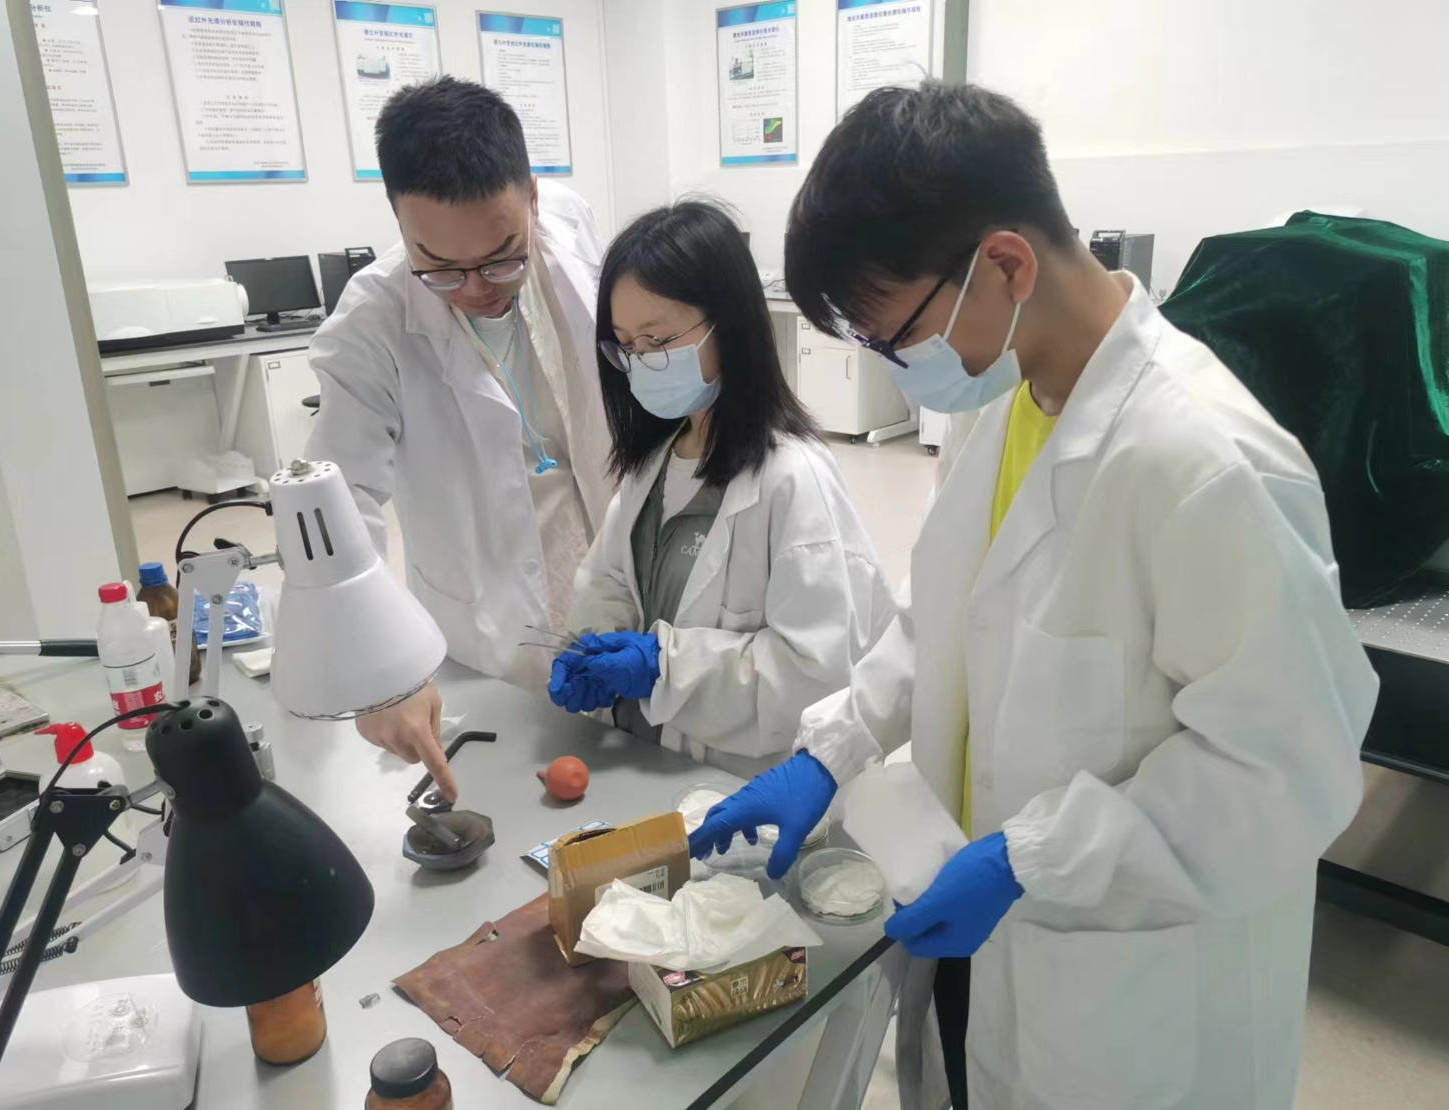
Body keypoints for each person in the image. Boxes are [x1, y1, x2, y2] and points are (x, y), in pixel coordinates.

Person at [690, 81, 1379, 1109]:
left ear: (1006, 264)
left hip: (1132, 992)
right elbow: (942, 624)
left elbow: (1287, 771)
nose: (896, 368)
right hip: (982, 944)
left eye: (895, 336)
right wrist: (827, 753)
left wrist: (1033, 860)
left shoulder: (1207, 465)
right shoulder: (1005, 402)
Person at [308, 78, 614, 800]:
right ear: (398, 220)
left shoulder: (570, 225)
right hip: (489, 617)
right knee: (519, 792)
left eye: (504, 257)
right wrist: (382, 670)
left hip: (603, 554)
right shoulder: (371, 324)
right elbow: (337, 503)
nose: (477, 287)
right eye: (441, 269)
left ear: (533, 199)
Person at [547, 201, 895, 778]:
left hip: (734, 785)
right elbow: (611, 580)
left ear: (726, 325)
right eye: (625, 346)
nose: (639, 363)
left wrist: (664, 668)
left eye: (657, 340)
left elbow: (818, 675)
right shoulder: (652, 463)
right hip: (640, 761)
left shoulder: (793, 479)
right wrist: (591, 646)